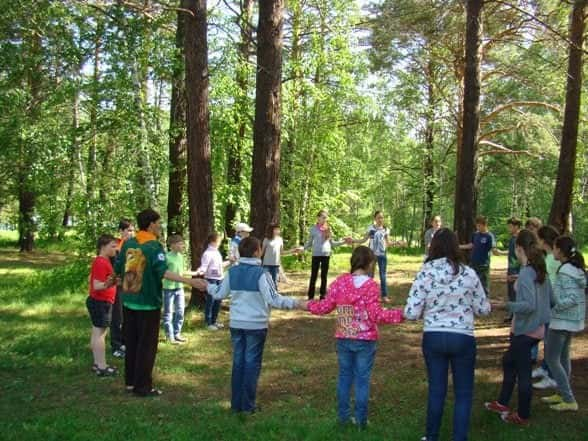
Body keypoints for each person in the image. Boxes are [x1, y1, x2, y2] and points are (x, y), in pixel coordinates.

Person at [405, 228, 491, 441]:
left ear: (434, 246)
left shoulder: (425, 272)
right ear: (455, 246)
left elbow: (411, 312)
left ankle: (431, 436)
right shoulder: (469, 273)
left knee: (436, 390)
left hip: (434, 336)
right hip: (462, 336)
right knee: (463, 394)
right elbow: (484, 309)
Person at [207, 236, 307, 413]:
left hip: (237, 324)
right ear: (256, 252)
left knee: (239, 363)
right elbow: (274, 299)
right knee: (251, 363)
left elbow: (219, 293)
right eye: (260, 249)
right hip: (255, 325)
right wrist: (296, 303)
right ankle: (247, 406)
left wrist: (207, 286)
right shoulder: (262, 274)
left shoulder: (233, 272)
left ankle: (236, 405)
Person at [307, 246, 404, 428]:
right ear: (369, 264)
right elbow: (376, 315)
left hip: (344, 337)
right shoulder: (371, 286)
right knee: (362, 380)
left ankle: (343, 419)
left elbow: (325, 306)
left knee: (344, 377)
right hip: (365, 340)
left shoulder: (341, 282)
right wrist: (401, 314)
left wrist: (307, 305)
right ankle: (360, 421)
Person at [115, 209, 205, 397]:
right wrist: (191, 281)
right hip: (148, 303)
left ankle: (131, 381)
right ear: (151, 225)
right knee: (146, 346)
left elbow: (118, 269)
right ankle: (143, 387)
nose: (160, 226)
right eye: (158, 223)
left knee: (132, 342)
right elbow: (163, 272)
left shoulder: (128, 243)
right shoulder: (154, 247)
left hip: (129, 300)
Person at [484, 229, 552, 425]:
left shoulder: (527, 273)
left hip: (525, 330)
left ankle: (522, 415)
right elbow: (550, 298)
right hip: (535, 328)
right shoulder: (539, 270)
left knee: (522, 371)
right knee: (508, 362)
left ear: (519, 248)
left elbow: (529, 305)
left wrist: (503, 304)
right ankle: (502, 402)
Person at [541, 236, 586, 411]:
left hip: (561, 321)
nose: (553, 251)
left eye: (554, 248)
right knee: (563, 358)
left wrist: (556, 304)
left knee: (552, 359)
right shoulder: (574, 269)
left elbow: (572, 298)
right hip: (571, 320)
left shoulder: (566, 271)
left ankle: (568, 399)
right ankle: (561, 392)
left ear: (560, 250)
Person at [348, 211, 405, 303]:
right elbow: (364, 240)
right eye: (378, 217)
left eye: (382, 217)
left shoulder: (386, 229)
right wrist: (353, 240)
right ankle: (368, 295)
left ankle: (384, 296)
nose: (380, 219)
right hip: (371, 255)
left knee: (383, 276)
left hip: (382, 255)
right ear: (375, 219)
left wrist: (397, 243)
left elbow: (388, 243)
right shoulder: (371, 228)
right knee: (370, 276)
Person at [532, 225, 560, 389]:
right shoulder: (549, 258)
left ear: (543, 240)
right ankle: (545, 367)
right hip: (549, 302)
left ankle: (552, 375)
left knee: (551, 340)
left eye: (538, 238)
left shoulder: (552, 260)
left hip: (552, 304)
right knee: (547, 337)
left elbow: (551, 283)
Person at [87, 234, 120, 377]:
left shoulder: (104, 261)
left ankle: (97, 363)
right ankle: (102, 366)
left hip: (101, 302)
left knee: (97, 333)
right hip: (101, 303)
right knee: (100, 334)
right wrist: (113, 282)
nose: (115, 249)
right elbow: (97, 285)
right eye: (112, 246)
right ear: (103, 247)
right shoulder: (100, 262)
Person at [304, 210, 345, 299]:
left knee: (324, 276)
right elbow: (309, 243)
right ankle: (310, 296)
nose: (324, 219)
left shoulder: (328, 229)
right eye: (323, 217)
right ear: (318, 218)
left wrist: (343, 242)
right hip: (315, 255)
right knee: (313, 275)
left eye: (325, 218)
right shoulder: (313, 229)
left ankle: (323, 295)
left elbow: (333, 243)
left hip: (326, 255)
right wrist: (302, 248)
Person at [110, 219, 134, 358]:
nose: (131, 233)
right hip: (117, 286)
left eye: (133, 230)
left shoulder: (133, 246)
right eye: (129, 230)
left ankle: (125, 342)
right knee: (116, 316)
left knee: (127, 315)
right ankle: (116, 345)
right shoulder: (115, 246)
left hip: (129, 286)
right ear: (121, 231)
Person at [197, 232, 231, 331]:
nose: (220, 243)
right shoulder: (207, 253)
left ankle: (214, 321)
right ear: (213, 241)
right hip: (211, 279)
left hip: (219, 279)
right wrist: (201, 271)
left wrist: (230, 261)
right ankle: (208, 322)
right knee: (210, 301)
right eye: (219, 241)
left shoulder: (217, 252)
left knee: (218, 300)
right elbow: (204, 266)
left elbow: (220, 265)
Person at [459, 216, 500, 293]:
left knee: (483, 284)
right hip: (473, 263)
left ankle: (485, 299)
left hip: (483, 264)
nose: (477, 227)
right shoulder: (475, 235)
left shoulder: (489, 236)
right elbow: (471, 245)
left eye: (479, 226)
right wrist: (459, 246)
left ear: (484, 225)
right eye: (477, 226)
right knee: (471, 281)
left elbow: (493, 248)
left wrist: (498, 252)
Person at [162, 234, 188, 344]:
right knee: (168, 312)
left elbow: (182, 272)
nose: (182, 245)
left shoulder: (181, 257)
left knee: (180, 311)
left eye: (183, 243)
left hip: (180, 288)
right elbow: (163, 273)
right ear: (172, 245)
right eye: (180, 243)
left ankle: (177, 333)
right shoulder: (166, 257)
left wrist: (196, 273)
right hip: (168, 288)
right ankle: (170, 335)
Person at [501, 218, 521, 322]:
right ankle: (512, 313)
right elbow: (511, 253)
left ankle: (515, 314)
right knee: (511, 292)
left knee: (515, 291)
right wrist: (501, 252)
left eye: (511, 226)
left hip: (516, 269)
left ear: (517, 226)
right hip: (511, 268)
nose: (509, 228)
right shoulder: (512, 238)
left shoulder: (519, 238)